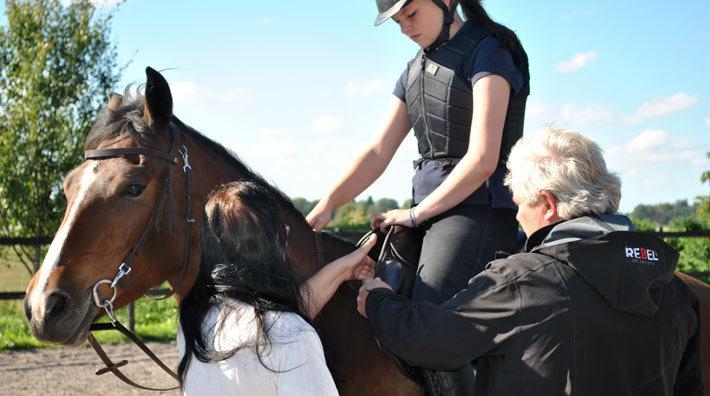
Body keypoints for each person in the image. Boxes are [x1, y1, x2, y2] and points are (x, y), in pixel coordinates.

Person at [357, 126, 704, 396]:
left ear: (549, 205)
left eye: (521, 203)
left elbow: (428, 339)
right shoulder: (674, 290)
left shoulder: (525, 281)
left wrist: (378, 299)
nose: (519, 216)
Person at [307, 0, 529, 390]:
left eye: (410, 15)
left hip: (479, 210)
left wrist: (415, 215)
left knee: (427, 323)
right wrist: (329, 202)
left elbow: (482, 160)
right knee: (372, 296)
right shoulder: (413, 71)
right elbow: (378, 152)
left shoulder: (489, 50)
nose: (405, 29)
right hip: (427, 213)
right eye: (396, 22)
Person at [177, 181, 376, 395]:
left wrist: (343, 270)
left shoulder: (194, 324)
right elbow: (283, 331)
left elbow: (272, 324)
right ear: (278, 240)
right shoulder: (292, 335)